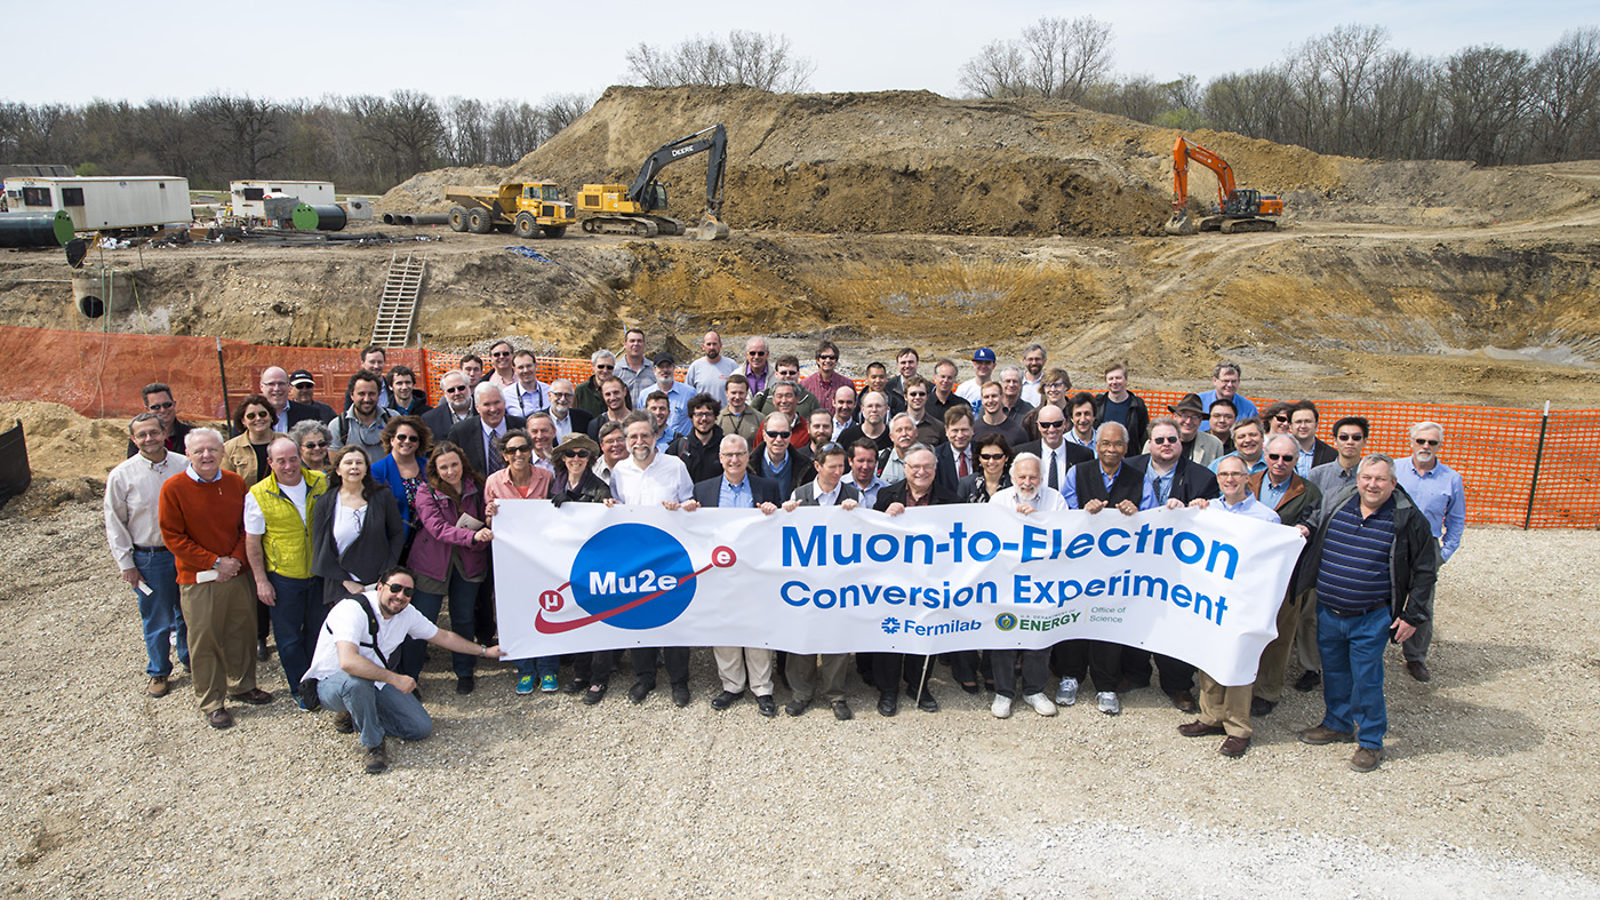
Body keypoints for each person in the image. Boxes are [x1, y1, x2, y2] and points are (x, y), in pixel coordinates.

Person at [1297, 454, 1437, 773]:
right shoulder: (1337, 502)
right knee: (1334, 672)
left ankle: (1371, 741)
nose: (1372, 485)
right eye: (1367, 478)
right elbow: (1313, 520)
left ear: (1393, 483)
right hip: (1329, 610)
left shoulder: (1407, 517)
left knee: (1366, 679)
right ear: (1358, 480)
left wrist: (1412, 615)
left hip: (1371, 616)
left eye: (1380, 479)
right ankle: (1337, 723)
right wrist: (1304, 528)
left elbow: (1425, 570)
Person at [303, 568, 504, 774]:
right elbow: (348, 662)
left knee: (419, 727)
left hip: (374, 682)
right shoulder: (351, 610)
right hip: (332, 684)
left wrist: (485, 651)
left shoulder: (406, 613)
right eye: (396, 588)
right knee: (356, 683)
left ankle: (357, 715)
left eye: (408, 592)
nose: (400, 596)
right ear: (380, 587)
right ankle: (373, 744)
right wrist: (395, 678)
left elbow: (443, 636)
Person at [158, 428, 272, 729]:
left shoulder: (235, 483)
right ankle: (211, 701)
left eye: (212, 449)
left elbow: (247, 527)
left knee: (241, 632)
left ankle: (242, 685)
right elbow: (173, 536)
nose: (206, 455)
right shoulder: (173, 488)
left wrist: (234, 561)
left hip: (237, 572)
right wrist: (214, 562)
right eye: (199, 451)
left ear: (222, 452)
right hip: (198, 578)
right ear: (188, 454)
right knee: (204, 639)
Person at [1177, 454, 1283, 758]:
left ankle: (1238, 727)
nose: (1230, 480)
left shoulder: (1267, 518)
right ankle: (1211, 715)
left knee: (1238, 661)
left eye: (1236, 474)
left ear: (1247, 478)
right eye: (1224, 474)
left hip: (1245, 600)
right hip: (1209, 598)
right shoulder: (1207, 510)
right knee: (1209, 656)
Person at [1057, 421, 1157, 716]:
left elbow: (1153, 519)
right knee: (1074, 618)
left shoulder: (1139, 479)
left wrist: (1137, 515)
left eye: (1117, 444)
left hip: (1118, 570)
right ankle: (1070, 676)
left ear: (1126, 448)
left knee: (1108, 622)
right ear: (1096, 446)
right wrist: (1082, 512)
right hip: (1079, 564)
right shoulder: (1078, 473)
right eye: (1105, 443)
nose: (1111, 449)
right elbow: (1062, 513)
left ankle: (1106, 685)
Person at [681, 434, 783, 716]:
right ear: (720, 458)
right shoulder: (703, 490)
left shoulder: (767, 487)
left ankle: (762, 688)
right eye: (728, 455)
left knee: (757, 628)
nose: (734, 460)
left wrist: (774, 512)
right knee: (724, 628)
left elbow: (781, 529)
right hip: (718, 573)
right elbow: (692, 530)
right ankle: (732, 685)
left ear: (748, 456)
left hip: (755, 571)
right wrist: (686, 512)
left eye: (739, 454)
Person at [607, 413, 695, 708]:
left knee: (674, 617)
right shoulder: (620, 471)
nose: (639, 441)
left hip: (670, 556)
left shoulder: (675, 466)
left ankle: (679, 680)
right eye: (633, 436)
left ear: (656, 436)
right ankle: (644, 677)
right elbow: (618, 508)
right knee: (639, 617)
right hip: (635, 558)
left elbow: (690, 503)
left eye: (645, 435)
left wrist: (682, 507)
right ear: (626, 440)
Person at [105, 412, 189, 697]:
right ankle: (159, 670)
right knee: (157, 617)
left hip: (185, 553)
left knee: (189, 611)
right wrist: (126, 563)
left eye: (154, 432)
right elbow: (115, 522)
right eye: (142, 435)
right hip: (150, 557)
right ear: (133, 439)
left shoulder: (183, 465)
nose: (149, 438)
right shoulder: (121, 476)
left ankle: (189, 657)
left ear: (164, 432)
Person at [244, 437, 329, 710]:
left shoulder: (320, 481)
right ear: (270, 463)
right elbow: (253, 542)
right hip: (284, 577)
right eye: (281, 461)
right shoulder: (258, 494)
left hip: (319, 573)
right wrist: (261, 581)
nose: (289, 466)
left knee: (318, 632)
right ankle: (300, 688)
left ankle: (318, 681)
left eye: (293, 459)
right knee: (289, 638)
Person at [873, 445, 958, 716]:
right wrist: (885, 516)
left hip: (930, 579)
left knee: (924, 631)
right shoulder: (887, 495)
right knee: (891, 633)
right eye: (916, 467)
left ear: (935, 469)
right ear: (905, 468)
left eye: (927, 467)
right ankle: (888, 690)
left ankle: (918, 686)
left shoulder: (949, 500)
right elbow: (870, 535)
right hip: (894, 579)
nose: (922, 472)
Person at [406, 441, 493, 695]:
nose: (450, 471)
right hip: (431, 565)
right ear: (435, 469)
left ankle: (465, 671)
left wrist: (491, 514)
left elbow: (487, 519)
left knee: (463, 618)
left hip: (469, 563)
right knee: (422, 621)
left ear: (463, 463)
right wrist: (471, 537)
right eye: (444, 467)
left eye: (454, 464)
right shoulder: (426, 491)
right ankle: (409, 676)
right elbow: (437, 528)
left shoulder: (477, 487)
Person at [781, 443, 861, 720]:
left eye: (842, 466)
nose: (839, 472)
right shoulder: (800, 495)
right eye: (832, 466)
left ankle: (835, 694)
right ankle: (800, 693)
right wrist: (785, 513)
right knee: (803, 635)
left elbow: (866, 535)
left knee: (836, 638)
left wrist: (857, 513)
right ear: (817, 466)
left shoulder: (854, 495)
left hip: (839, 581)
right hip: (806, 581)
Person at [1247, 434, 1321, 715]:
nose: (1280, 462)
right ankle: (1241, 683)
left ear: (1297, 460)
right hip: (1247, 574)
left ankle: (1267, 691)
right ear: (1265, 455)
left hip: (1287, 578)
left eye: (1287, 458)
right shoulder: (1248, 483)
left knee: (1279, 635)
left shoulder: (1309, 492)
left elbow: (1315, 522)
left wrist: (1306, 528)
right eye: (1274, 456)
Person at [986, 453, 1064, 719]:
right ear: (1012, 477)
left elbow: (1066, 537)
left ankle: (1034, 690)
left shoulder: (1055, 500)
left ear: (1041, 478)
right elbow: (987, 539)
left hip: (1043, 580)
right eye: (1022, 477)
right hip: (1007, 580)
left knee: (1039, 636)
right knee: (1003, 634)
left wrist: (1040, 521)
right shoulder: (998, 500)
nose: (1027, 482)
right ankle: (1004, 692)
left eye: (1033, 477)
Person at [1298, 416, 1370, 692]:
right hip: (1322, 553)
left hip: (1357, 556)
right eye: (1344, 437)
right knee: (1311, 615)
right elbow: (1310, 511)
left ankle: (1345, 665)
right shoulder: (1318, 475)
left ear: (1364, 441)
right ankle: (1311, 666)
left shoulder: (1371, 476)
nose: (1350, 442)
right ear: (1335, 440)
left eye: (1356, 437)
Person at [481, 429, 556, 695]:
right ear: (504, 455)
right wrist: (490, 514)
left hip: (543, 557)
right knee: (516, 613)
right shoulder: (493, 481)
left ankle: (548, 668)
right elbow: (490, 522)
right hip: (510, 560)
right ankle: (524, 669)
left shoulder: (546, 477)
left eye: (523, 448)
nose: (518, 454)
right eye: (512, 450)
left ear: (530, 450)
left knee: (547, 610)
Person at [547, 433, 618, 703]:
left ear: (589, 458)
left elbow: (605, 526)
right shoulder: (555, 484)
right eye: (570, 454)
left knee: (598, 619)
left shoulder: (600, 488)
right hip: (565, 562)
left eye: (582, 454)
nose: (576, 458)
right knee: (576, 617)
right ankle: (580, 673)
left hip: (594, 563)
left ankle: (599, 678)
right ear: (562, 458)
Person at [1394, 421, 1466, 683]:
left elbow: (1456, 519)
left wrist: (1444, 553)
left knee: (1422, 602)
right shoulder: (1394, 469)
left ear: (1440, 446)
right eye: (1421, 441)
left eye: (1432, 442)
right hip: (1394, 542)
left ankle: (1415, 657)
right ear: (1411, 441)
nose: (1425, 446)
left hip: (1427, 547)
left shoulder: (1451, 478)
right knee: (1384, 595)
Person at [311, 443, 405, 614]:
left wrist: (386, 573)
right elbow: (320, 546)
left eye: (359, 463)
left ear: (366, 469)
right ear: (338, 470)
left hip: (377, 582)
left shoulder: (382, 496)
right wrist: (345, 581)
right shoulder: (325, 502)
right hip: (341, 584)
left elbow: (397, 534)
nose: (354, 467)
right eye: (348, 463)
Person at [369, 416, 432, 547]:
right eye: (402, 437)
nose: (407, 441)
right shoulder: (377, 471)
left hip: (428, 540)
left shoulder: (429, 467)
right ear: (392, 440)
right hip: (394, 542)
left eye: (413, 438)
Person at [449, 382, 525, 478]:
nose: (493, 409)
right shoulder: (460, 432)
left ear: (504, 403)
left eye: (497, 402)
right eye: (487, 404)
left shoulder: (522, 426)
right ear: (477, 407)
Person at [1015, 403, 1093, 495]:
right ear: (1038, 426)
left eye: (1057, 424)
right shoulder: (1022, 453)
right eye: (1045, 425)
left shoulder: (1084, 455)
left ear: (1064, 424)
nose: (1051, 429)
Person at [222, 394, 286, 487]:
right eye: (251, 416)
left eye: (262, 414)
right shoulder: (229, 448)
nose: (258, 418)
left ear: (271, 416)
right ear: (243, 421)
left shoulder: (287, 442)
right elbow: (226, 483)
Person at [328, 371, 392, 463]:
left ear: (378, 394)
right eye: (361, 394)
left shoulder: (392, 418)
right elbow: (335, 466)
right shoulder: (338, 426)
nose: (366, 399)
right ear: (351, 395)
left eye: (372, 394)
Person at [751, 411, 814, 498]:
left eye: (784, 434)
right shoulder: (747, 466)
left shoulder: (806, 466)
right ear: (764, 435)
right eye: (773, 434)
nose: (779, 439)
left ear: (790, 435)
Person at [668, 393, 725, 483]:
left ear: (715, 417)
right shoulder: (678, 448)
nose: (704, 418)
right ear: (692, 417)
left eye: (708, 414)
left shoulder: (725, 446)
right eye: (699, 414)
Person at [1093, 362, 1149, 452]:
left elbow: (1144, 435)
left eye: (1118, 378)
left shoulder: (1137, 405)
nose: (1114, 382)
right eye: (1111, 379)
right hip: (1102, 455)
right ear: (1106, 382)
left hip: (1130, 456)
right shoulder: (1098, 403)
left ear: (1126, 380)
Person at [127, 382, 194, 457]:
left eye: (167, 405)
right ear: (147, 409)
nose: (162, 410)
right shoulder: (142, 439)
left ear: (174, 404)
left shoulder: (193, 435)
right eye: (156, 407)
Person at [638, 355, 694, 437]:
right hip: (654, 442)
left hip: (682, 443)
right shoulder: (644, 395)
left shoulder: (689, 393)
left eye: (668, 366)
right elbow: (641, 421)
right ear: (654, 370)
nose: (665, 370)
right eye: (661, 367)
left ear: (674, 368)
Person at [1165, 394, 1224, 467]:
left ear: (1200, 420)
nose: (1188, 421)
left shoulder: (1214, 445)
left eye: (1194, 417)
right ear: (1175, 417)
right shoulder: (1158, 440)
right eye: (1184, 415)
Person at [259, 366, 319, 434]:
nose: (276, 389)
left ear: (289, 386)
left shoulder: (309, 413)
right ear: (261, 387)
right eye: (271, 384)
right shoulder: (253, 416)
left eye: (281, 384)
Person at [1198, 361, 1258, 428]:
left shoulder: (1248, 408)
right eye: (1225, 381)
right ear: (1215, 380)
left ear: (1239, 382)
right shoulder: (1199, 402)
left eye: (1234, 381)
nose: (1230, 385)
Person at [934, 405, 977, 495]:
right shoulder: (936, 456)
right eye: (955, 430)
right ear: (946, 430)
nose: (960, 435)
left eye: (964, 430)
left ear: (972, 430)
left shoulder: (982, 453)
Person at [973, 381, 1029, 448]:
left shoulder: (1018, 432)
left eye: (994, 396)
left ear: (1002, 397)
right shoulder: (973, 429)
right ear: (982, 400)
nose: (990, 400)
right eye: (986, 397)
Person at [686, 331, 739, 402]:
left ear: (720, 345)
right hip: (702, 409)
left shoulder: (732, 365)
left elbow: (740, 390)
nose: (712, 347)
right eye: (708, 344)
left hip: (725, 409)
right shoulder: (695, 367)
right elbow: (687, 394)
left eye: (714, 344)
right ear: (703, 347)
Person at [422, 370, 475, 440]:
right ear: (444, 394)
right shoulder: (430, 419)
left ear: (469, 387)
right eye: (451, 390)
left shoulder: (485, 411)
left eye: (461, 388)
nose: (457, 393)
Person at [800, 340, 847, 417]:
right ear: (817, 360)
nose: (828, 360)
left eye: (832, 357)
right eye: (824, 357)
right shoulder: (805, 384)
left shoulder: (846, 384)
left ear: (836, 360)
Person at [1290, 400, 1337, 475]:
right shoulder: (1279, 451)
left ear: (1316, 425)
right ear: (1290, 426)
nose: (1303, 426)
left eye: (1308, 421)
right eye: (1298, 422)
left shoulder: (1331, 455)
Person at [500, 349, 548, 417]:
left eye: (529, 366)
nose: (525, 370)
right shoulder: (505, 395)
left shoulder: (550, 391)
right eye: (520, 367)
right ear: (514, 369)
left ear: (535, 365)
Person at [716, 373, 761, 444]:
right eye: (733, 393)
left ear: (746, 393)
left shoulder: (759, 418)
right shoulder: (717, 419)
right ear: (727, 393)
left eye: (741, 393)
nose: (737, 397)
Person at [901, 377, 946, 446]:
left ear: (927, 396)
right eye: (913, 394)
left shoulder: (939, 427)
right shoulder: (895, 425)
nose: (917, 397)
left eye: (922, 394)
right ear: (905, 397)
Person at [586, 375, 634, 439]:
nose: (612, 398)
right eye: (608, 394)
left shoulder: (637, 421)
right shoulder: (596, 425)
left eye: (616, 392)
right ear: (602, 396)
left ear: (624, 391)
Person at [877, 414, 921, 483]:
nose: (904, 434)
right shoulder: (879, 458)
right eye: (899, 430)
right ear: (891, 437)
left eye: (908, 429)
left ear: (916, 432)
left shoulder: (927, 458)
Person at [573, 350, 616, 416]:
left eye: (609, 367)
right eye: (601, 366)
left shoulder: (621, 389)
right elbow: (574, 415)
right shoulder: (581, 390)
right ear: (593, 366)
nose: (605, 370)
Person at [614, 328, 653, 398]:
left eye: (639, 341)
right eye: (632, 341)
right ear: (625, 344)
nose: (636, 344)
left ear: (644, 344)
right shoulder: (615, 369)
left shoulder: (654, 369)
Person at [927, 358, 962, 423]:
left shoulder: (962, 405)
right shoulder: (924, 403)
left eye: (949, 377)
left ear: (954, 379)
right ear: (935, 377)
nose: (945, 380)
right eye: (942, 376)